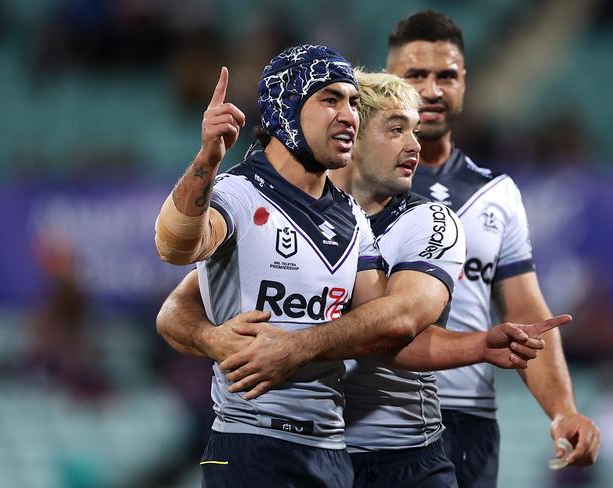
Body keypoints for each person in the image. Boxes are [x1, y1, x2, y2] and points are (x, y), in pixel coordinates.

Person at [157, 65, 571, 487]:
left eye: (415, 131)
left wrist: (480, 344)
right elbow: (177, 308)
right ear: (352, 141)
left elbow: (401, 321)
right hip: (301, 447)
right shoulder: (274, 203)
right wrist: (213, 338)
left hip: (399, 457)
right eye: (396, 130)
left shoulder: (428, 221)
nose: (416, 145)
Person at [385, 10, 600, 487]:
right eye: (414, 75)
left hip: (468, 422)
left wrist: (562, 410)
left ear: (465, 84)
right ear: (387, 83)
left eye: (447, 76)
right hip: (372, 415)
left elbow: (526, 312)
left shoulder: (498, 193)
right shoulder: (351, 184)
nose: (433, 90)